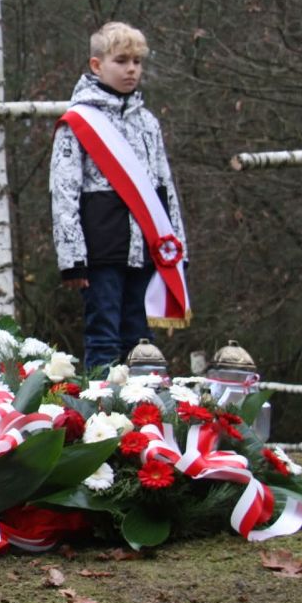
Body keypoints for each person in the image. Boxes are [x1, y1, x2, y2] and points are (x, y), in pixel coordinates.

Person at [50, 22, 188, 373]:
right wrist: (72, 259)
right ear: (97, 65)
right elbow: (64, 194)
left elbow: (165, 188)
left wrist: (177, 247)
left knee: (142, 341)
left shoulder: (148, 122)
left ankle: (146, 418)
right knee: (104, 337)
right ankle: (103, 413)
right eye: (122, 60)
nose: (131, 69)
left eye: (137, 62)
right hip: (101, 249)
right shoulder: (78, 122)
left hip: (147, 247)